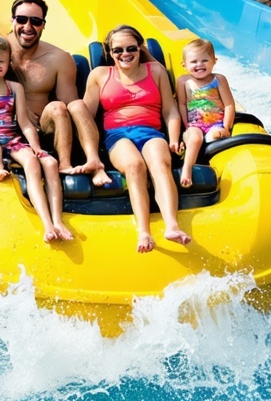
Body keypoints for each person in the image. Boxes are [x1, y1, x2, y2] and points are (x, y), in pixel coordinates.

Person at [82, 25, 192, 253]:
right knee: (134, 165)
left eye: (131, 48)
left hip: (151, 132)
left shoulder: (156, 71)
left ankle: (171, 225)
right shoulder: (100, 75)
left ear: (140, 49)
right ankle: (144, 231)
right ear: (109, 52)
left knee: (159, 162)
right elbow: (86, 116)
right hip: (116, 136)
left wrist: (173, 138)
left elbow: (170, 110)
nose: (124, 54)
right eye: (117, 50)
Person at [0, 35, 72, 243]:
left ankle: (54, 221)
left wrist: (36, 148)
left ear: (8, 64)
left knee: (33, 163)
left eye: (1, 61)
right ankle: (0, 168)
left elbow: (25, 123)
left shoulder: (14, 88)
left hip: (11, 138)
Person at [4, 0, 113, 188]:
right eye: (21, 19)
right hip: (7, 126)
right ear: (12, 20)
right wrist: (17, 107)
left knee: (68, 106)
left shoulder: (58, 58)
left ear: (43, 25)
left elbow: (69, 104)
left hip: (42, 127)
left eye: (35, 21)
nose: (28, 26)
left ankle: (90, 163)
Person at [175, 38, 236, 189]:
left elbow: (229, 104)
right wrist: (186, 126)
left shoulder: (218, 79)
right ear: (184, 65)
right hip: (194, 125)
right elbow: (181, 104)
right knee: (195, 138)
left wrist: (226, 127)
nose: (199, 65)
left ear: (214, 61)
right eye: (194, 61)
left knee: (216, 136)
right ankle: (187, 169)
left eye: (204, 60)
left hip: (215, 124)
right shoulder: (183, 81)